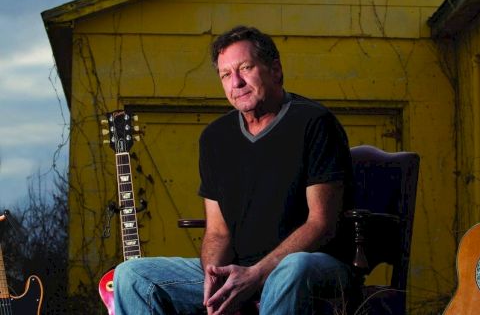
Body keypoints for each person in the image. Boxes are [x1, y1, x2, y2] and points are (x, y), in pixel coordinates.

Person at [113, 25, 353, 315]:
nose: (236, 82)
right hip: (239, 269)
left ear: (275, 70)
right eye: (226, 75)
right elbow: (217, 232)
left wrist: (256, 274)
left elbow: (321, 225)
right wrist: (214, 277)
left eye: (245, 68)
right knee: (133, 275)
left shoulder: (315, 123)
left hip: (313, 266)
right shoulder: (215, 138)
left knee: (293, 267)